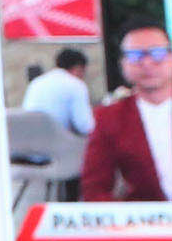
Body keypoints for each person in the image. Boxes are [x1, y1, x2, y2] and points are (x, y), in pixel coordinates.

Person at [81, 20, 172, 199]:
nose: (147, 63)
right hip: (148, 223)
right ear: (122, 64)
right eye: (135, 55)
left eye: (157, 53)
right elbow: (94, 188)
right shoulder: (109, 117)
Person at [18, 46, 92, 135]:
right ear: (78, 68)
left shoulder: (36, 82)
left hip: (29, 140)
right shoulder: (76, 85)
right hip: (57, 142)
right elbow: (85, 126)